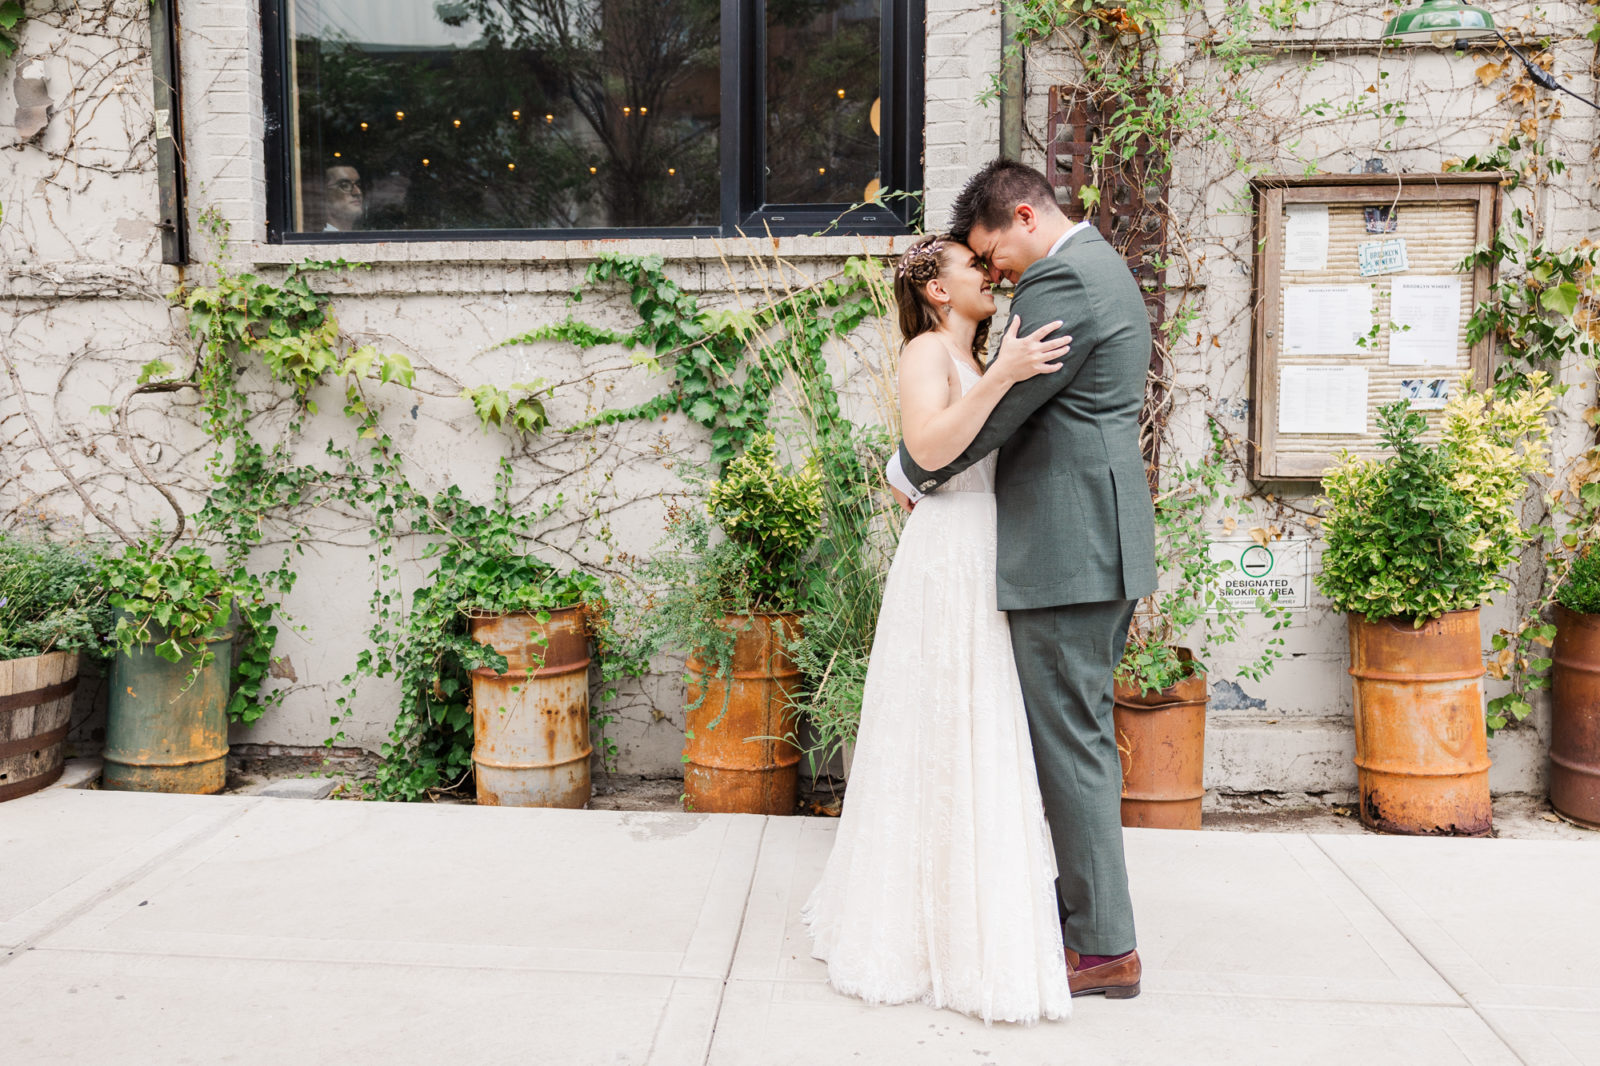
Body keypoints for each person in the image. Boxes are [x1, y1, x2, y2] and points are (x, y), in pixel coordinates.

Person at [886, 159, 1158, 1000]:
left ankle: (1104, 944)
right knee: (1067, 735)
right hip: (1088, 541)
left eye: (989, 251)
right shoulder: (1099, 262)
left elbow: (1006, 410)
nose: (994, 271)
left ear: (1023, 219)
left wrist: (911, 472)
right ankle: (1084, 914)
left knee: (1069, 743)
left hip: (1068, 548)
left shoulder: (1061, 282)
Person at [802, 233, 1077, 1025]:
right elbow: (925, 451)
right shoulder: (927, 351)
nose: (989, 273)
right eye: (972, 267)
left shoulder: (982, 353)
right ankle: (915, 927)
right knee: (937, 721)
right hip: (948, 549)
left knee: (981, 722)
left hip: (986, 543)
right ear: (936, 292)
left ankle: (974, 910)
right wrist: (1000, 378)